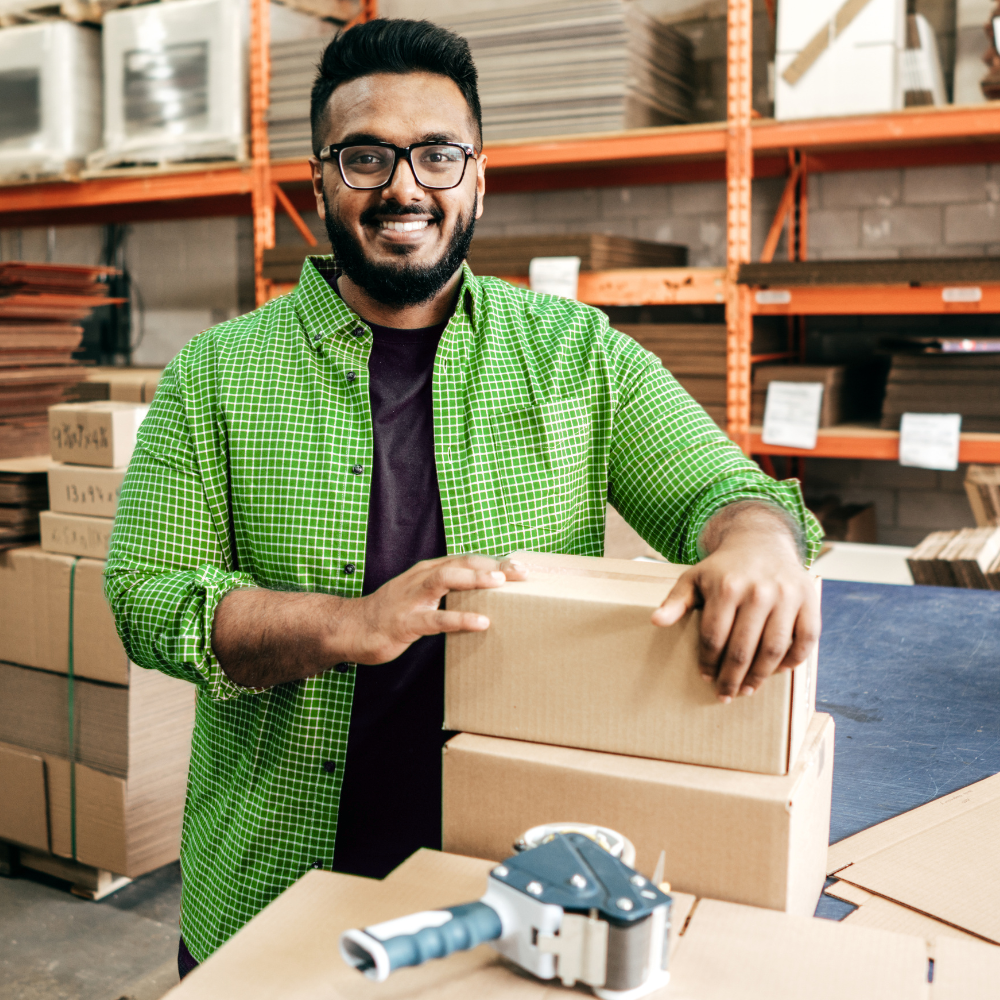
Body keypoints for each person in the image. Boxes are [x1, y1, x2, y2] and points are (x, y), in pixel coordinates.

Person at [105, 18, 822, 976]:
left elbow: (726, 491)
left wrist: (760, 545)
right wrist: (343, 625)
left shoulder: (577, 357)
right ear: (319, 180)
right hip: (268, 885)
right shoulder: (216, 375)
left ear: (478, 176)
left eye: (437, 155)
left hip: (511, 887)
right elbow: (146, 596)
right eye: (366, 157)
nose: (404, 186)